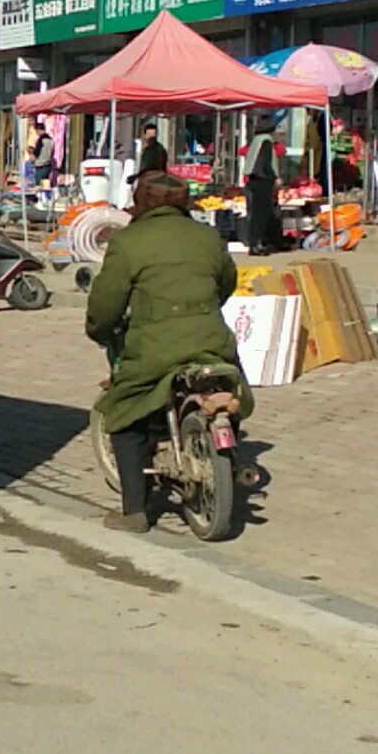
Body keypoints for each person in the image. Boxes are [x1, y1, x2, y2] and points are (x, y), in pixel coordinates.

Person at [86, 171, 253, 534]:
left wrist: (98, 329)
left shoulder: (129, 241)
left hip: (155, 348)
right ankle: (226, 452)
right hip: (212, 340)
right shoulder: (207, 237)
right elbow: (226, 282)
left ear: (141, 203)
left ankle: (135, 511)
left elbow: (107, 302)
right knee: (228, 390)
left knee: (123, 409)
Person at [244, 115, 282, 255]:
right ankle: (256, 244)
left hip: (254, 179)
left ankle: (255, 242)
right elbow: (265, 163)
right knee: (261, 213)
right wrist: (274, 177)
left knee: (256, 212)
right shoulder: (266, 141)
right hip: (262, 180)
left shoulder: (256, 141)